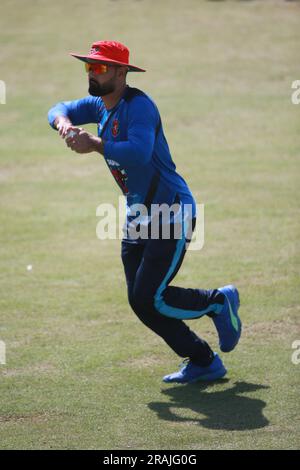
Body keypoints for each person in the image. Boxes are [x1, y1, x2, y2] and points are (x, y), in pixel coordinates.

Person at [48, 40, 242, 384]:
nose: (93, 73)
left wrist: (93, 144)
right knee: (141, 303)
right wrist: (63, 123)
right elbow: (58, 107)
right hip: (138, 217)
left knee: (149, 296)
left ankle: (216, 303)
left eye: (102, 67)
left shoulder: (139, 107)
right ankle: (203, 361)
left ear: (122, 73)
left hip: (171, 214)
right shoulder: (99, 104)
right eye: (90, 67)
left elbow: (138, 152)